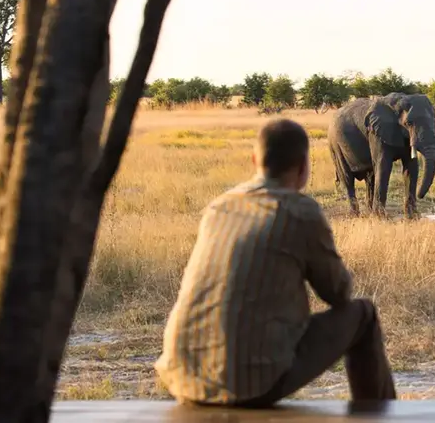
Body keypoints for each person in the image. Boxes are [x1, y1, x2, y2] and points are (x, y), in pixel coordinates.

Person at [155, 118, 396, 407]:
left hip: (182, 376)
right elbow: (338, 293)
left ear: (254, 159)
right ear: (304, 167)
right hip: (251, 383)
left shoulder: (219, 206)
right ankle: (382, 415)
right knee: (364, 314)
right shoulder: (301, 211)